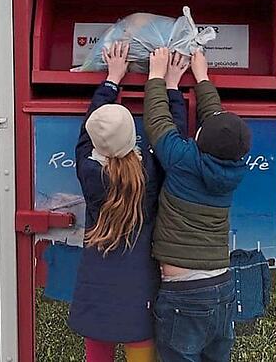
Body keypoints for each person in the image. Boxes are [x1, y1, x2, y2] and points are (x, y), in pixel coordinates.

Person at [68, 42, 190, 362]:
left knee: (97, 353)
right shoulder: (148, 170)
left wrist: (112, 79)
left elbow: (87, 130)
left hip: (97, 291)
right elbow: (169, 134)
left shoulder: (88, 169)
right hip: (140, 291)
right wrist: (167, 84)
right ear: (132, 136)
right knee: (141, 353)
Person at [144, 47, 252, 362]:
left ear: (200, 138)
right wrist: (201, 76)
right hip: (221, 287)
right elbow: (219, 123)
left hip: (185, 296)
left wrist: (155, 75)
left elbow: (157, 122)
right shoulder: (234, 168)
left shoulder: (183, 160)